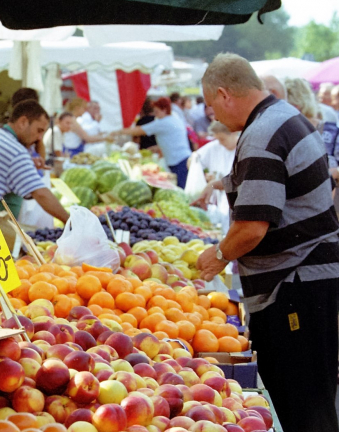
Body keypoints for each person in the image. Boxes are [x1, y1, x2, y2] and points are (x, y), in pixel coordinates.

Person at [196, 53, 339, 432]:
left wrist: (218, 255)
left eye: (211, 105)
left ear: (225, 94)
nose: (213, 116)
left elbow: (254, 225)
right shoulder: (286, 117)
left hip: (293, 286)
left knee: (300, 399)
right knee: (313, 393)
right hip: (309, 279)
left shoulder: (262, 134)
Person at [0, 100, 69, 222]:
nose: (40, 138)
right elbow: (41, 194)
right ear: (23, 122)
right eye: (39, 130)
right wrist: (69, 221)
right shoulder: (16, 151)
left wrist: (28, 163)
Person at [109, 97, 193, 188]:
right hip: (182, 158)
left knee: (182, 188)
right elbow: (172, 140)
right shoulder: (174, 119)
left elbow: (140, 130)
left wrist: (118, 132)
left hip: (178, 161)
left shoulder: (163, 122)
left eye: (156, 112)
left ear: (164, 110)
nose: (155, 115)